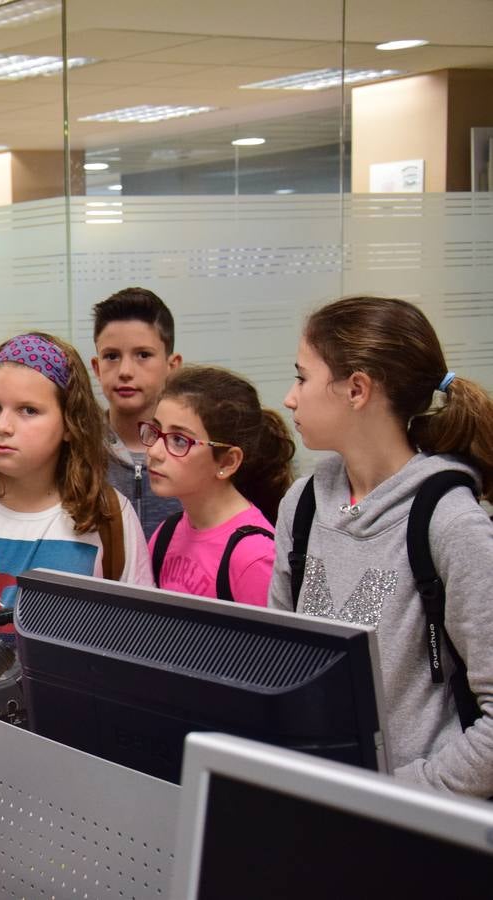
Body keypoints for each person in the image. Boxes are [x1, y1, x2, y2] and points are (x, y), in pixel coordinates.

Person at [269, 296, 493, 797]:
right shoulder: (301, 504)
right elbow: (275, 663)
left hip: (415, 828)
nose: (289, 397)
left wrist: (398, 793)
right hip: (315, 808)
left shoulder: (452, 522)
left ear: (357, 389)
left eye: (302, 377)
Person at [0, 332, 152, 616]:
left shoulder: (107, 515)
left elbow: (135, 633)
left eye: (28, 410)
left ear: (70, 425)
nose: (3, 426)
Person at [142, 366, 295, 606]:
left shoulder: (254, 557)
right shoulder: (166, 534)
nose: (154, 451)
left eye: (179, 440)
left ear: (227, 461)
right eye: (156, 431)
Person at [91, 287, 184, 537]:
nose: (125, 371)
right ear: (96, 368)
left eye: (143, 355)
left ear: (172, 366)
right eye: (111, 356)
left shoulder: (194, 453)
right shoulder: (79, 450)